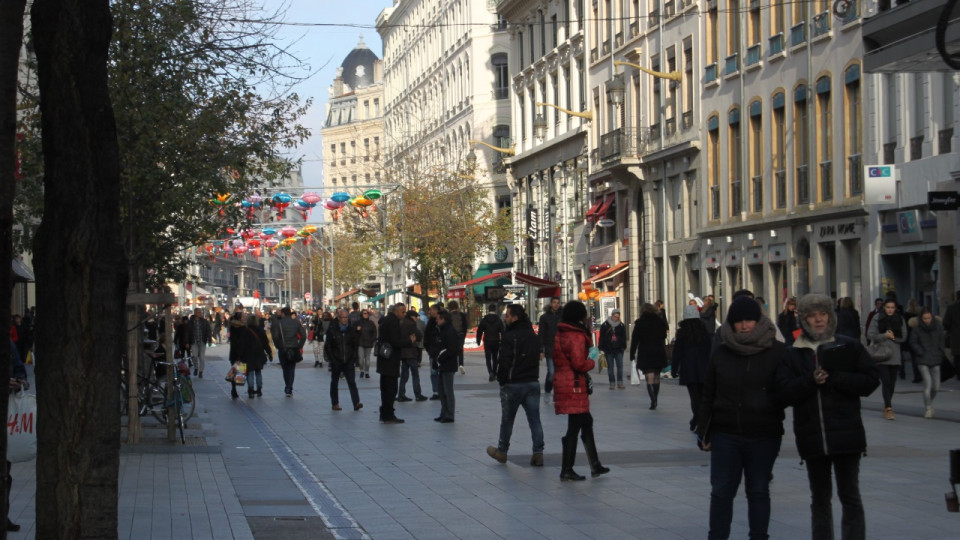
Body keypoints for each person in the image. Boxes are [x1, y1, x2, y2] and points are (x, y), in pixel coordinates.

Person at [778, 293, 880, 540]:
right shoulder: (793, 353)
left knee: (850, 496)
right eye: (812, 315)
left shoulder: (848, 345)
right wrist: (810, 381)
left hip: (847, 436)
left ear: (830, 317)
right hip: (812, 437)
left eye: (823, 314)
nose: (818, 320)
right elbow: (784, 393)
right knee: (820, 499)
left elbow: (870, 381)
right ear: (803, 320)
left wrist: (836, 378)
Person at [696, 296, 787, 540]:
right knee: (721, 492)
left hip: (764, 434)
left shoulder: (777, 351)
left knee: (758, 491)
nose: (745, 326)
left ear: (758, 321)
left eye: (749, 320)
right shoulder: (722, 351)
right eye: (739, 321)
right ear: (731, 323)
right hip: (726, 433)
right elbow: (709, 393)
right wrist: (703, 430)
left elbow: (787, 390)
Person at [553, 300, 609, 481]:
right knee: (574, 426)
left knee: (586, 421)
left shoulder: (561, 333)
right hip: (574, 385)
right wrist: (592, 360)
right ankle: (567, 469)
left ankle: (595, 464)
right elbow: (578, 363)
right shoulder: (575, 336)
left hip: (565, 382)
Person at [486, 304, 544, 466]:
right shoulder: (533, 336)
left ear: (515, 317)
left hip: (513, 384)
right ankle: (538, 453)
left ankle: (502, 451)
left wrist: (502, 380)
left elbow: (504, 361)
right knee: (535, 420)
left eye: (508, 315)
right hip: (532, 382)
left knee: (507, 420)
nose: (505, 318)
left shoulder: (509, 336)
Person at [671, 305, 712, 431]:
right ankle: (699, 420)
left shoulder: (682, 333)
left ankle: (697, 419)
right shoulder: (704, 332)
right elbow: (710, 350)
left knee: (694, 398)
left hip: (689, 369)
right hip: (704, 369)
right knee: (703, 396)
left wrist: (674, 369)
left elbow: (677, 352)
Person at [866, 298, 907, 419]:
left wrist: (893, 337)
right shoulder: (877, 317)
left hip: (895, 354)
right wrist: (885, 335)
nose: (890, 310)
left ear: (895, 308)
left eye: (892, 307)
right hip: (881, 354)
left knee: (892, 383)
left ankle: (887, 405)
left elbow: (904, 337)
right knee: (886, 382)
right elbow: (870, 334)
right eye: (888, 307)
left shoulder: (900, 318)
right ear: (884, 307)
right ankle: (888, 408)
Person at [377, 303, 412, 423]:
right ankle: (388, 414)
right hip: (390, 360)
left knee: (386, 388)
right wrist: (409, 341)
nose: (405, 314)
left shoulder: (387, 320)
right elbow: (395, 341)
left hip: (384, 359)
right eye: (403, 312)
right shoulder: (393, 322)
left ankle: (385, 413)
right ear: (396, 311)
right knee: (390, 389)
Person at [630, 303, 669, 409]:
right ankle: (655, 397)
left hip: (645, 351)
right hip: (658, 351)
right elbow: (664, 335)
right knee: (656, 376)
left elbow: (635, 339)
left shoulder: (640, 323)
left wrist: (632, 353)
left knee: (649, 377)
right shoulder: (659, 321)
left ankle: (653, 400)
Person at [909, 308, 946, 418]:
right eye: (924, 318)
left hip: (936, 358)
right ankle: (928, 408)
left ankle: (929, 402)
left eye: (929, 318)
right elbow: (913, 342)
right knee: (928, 384)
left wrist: (940, 352)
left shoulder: (938, 327)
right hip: (922, 359)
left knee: (936, 387)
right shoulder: (917, 329)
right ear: (921, 318)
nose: (927, 320)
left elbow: (941, 340)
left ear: (932, 317)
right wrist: (920, 351)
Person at [6, 338, 28, 532]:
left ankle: (3, 515)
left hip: (7, 414)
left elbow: (20, 369)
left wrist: (20, 381)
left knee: (5, 473)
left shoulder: (8, 344)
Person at [325, 309, 363, 411]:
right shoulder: (332, 329)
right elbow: (328, 346)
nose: (345, 319)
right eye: (343, 317)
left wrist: (353, 358)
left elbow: (355, 345)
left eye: (347, 317)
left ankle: (356, 403)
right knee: (335, 383)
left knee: (352, 382)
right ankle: (335, 403)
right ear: (338, 318)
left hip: (349, 361)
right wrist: (333, 359)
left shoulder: (351, 329)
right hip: (336, 360)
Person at [428, 309, 461, 423]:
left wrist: (440, 358)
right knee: (441, 391)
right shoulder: (441, 330)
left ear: (443, 319)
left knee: (448, 390)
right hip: (441, 364)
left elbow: (453, 349)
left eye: (437, 318)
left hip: (448, 364)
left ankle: (450, 415)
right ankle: (443, 413)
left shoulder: (450, 331)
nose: (436, 320)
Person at [271, 307, 307, 397]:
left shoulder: (279, 323)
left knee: (285, 368)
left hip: (283, 348)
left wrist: (278, 346)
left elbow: (275, 337)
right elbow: (303, 335)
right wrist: (299, 346)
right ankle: (289, 387)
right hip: (293, 348)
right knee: (291, 368)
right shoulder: (296, 322)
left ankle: (287, 385)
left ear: (283, 314)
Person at [397, 309, 426, 402]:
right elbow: (419, 336)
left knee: (404, 375)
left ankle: (401, 394)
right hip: (411, 352)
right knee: (415, 374)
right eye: (416, 317)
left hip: (402, 353)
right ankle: (418, 394)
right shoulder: (411, 324)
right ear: (411, 317)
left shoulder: (400, 323)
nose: (417, 319)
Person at [538, 297, 561, 403]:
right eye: (554, 302)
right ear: (550, 304)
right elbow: (541, 334)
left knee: (560, 373)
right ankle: (547, 391)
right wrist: (541, 350)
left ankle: (558, 394)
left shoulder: (563, 316)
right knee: (551, 372)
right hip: (550, 348)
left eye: (558, 303)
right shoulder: (544, 317)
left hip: (562, 348)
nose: (556, 304)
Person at [598, 309, 627, 389]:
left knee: (620, 366)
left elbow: (624, 337)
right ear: (612, 315)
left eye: (618, 317)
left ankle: (620, 383)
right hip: (608, 349)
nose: (616, 318)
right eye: (615, 317)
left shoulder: (621, 325)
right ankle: (612, 383)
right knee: (610, 367)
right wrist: (600, 348)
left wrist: (623, 346)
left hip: (618, 349)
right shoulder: (605, 325)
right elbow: (602, 337)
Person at [476, 304, 505, 382]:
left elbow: (479, 330)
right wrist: (503, 341)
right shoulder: (498, 320)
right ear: (495, 310)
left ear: (488, 310)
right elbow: (502, 331)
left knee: (488, 358)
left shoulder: (484, 319)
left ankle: (490, 372)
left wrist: (478, 340)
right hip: (496, 341)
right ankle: (494, 373)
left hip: (487, 341)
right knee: (495, 358)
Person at [186, 308, 212, 378]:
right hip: (194, 341)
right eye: (198, 312)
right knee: (194, 356)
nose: (199, 314)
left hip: (202, 341)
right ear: (195, 313)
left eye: (200, 312)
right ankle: (196, 368)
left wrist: (209, 339)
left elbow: (208, 330)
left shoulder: (204, 321)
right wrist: (187, 342)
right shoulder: (191, 322)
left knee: (202, 357)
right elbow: (187, 332)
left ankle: (200, 371)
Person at [424, 303, 442, 400]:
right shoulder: (430, 323)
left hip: (442, 352)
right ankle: (436, 391)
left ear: (436, 311)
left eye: (431, 310)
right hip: (433, 352)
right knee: (434, 372)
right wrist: (428, 349)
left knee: (441, 372)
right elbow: (426, 336)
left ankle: (441, 391)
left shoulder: (443, 322)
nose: (429, 312)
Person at [447, 301, 468, 374]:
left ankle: (454, 365)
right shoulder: (462, 315)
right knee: (460, 350)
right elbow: (465, 326)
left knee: (452, 349)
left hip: (452, 334)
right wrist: (464, 334)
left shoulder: (448, 315)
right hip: (460, 333)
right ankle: (461, 364)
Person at [943, 290, 960, 378]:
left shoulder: (951, 308)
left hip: (956, 337)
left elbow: (946, 323)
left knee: (957, 357)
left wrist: (949, 330)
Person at [357, 309, 377, 379]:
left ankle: (367, 372)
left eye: (367, 313)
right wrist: (357, 330)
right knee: (361, 359)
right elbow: (354, 332)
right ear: (361, 315)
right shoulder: (358, 323)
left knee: (367, 359)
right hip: (360, 343)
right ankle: (362, 370)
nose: (366, 315)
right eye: (364, 313)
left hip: (369, 343)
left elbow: (374, 332)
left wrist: (373, 340)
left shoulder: (371, 323)